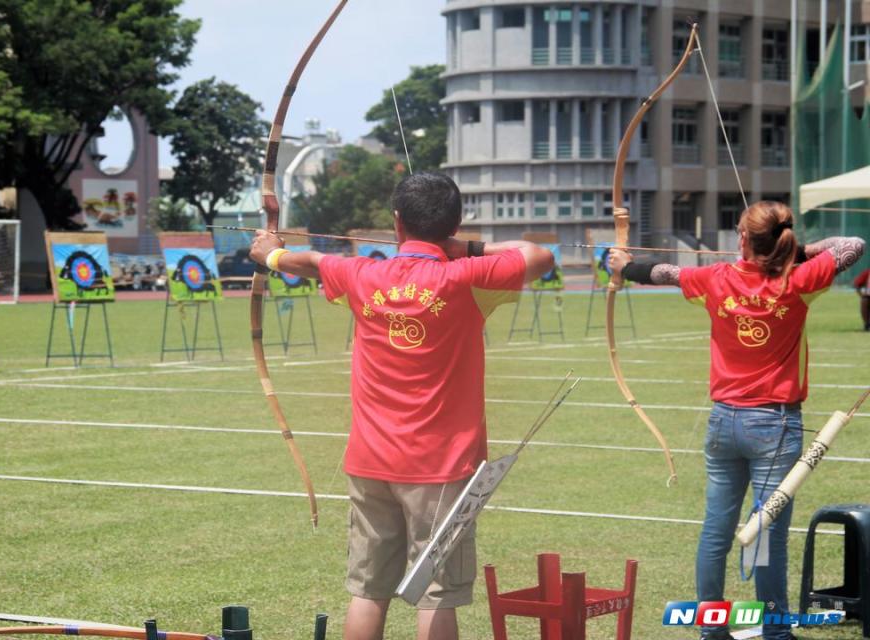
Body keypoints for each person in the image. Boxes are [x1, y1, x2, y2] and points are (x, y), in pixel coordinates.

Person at [249, 172, 555, 640]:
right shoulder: (464, 276)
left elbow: (310, 260)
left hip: (371, 462)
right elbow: (539, 255)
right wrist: (464, 248)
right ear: (455, 224)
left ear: (397, 222)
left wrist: (269, 252)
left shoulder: (362, 273)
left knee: (368, 593)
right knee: (436, 594)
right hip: (442, 467)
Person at [609, 201, 865, 640]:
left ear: (743, 240)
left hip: (724, 424)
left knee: (716, 531)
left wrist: (623, 266)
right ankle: (775, 633)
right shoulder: (798, 280)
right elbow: (853, 245)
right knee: (765, 535)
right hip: (775, 425)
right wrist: (796, 254)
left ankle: (712, 630)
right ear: (782, 241)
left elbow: (662, 274)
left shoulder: (715, 278)